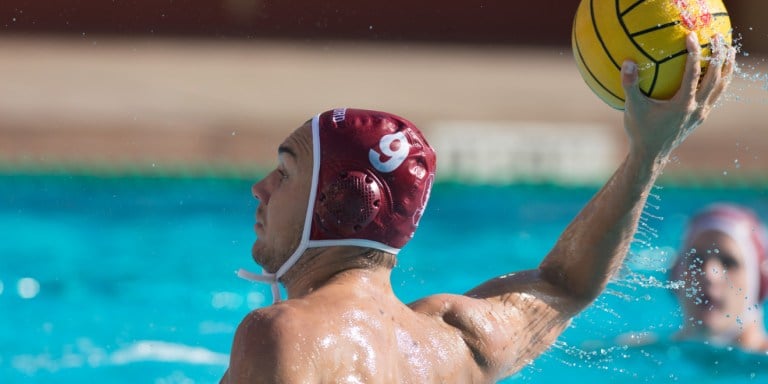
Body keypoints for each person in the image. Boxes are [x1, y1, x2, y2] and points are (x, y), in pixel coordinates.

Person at [220, 32, 736, 383]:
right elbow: (566, 284)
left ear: (345, 203)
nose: (260, 188)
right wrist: (648, 154)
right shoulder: (455, 341)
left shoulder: (283, 333)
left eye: (286, 173)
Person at [670, 203, 768, 351]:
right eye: (696, 260)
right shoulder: (647, 355)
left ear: (760, 283)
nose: (709, 275)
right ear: (676, 276)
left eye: (729, 263)